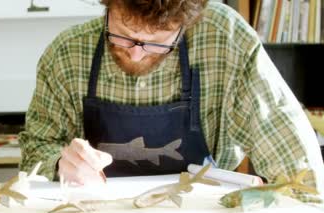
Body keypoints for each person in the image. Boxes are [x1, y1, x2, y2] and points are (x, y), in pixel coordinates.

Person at [19, 0, 324, 200]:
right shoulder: (66, 54)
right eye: (123, 34)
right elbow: (35, 152)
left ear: (185, 24)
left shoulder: (226, 40)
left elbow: (297, 167)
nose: (136, 52)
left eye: (156, 41)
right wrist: (61, 164)